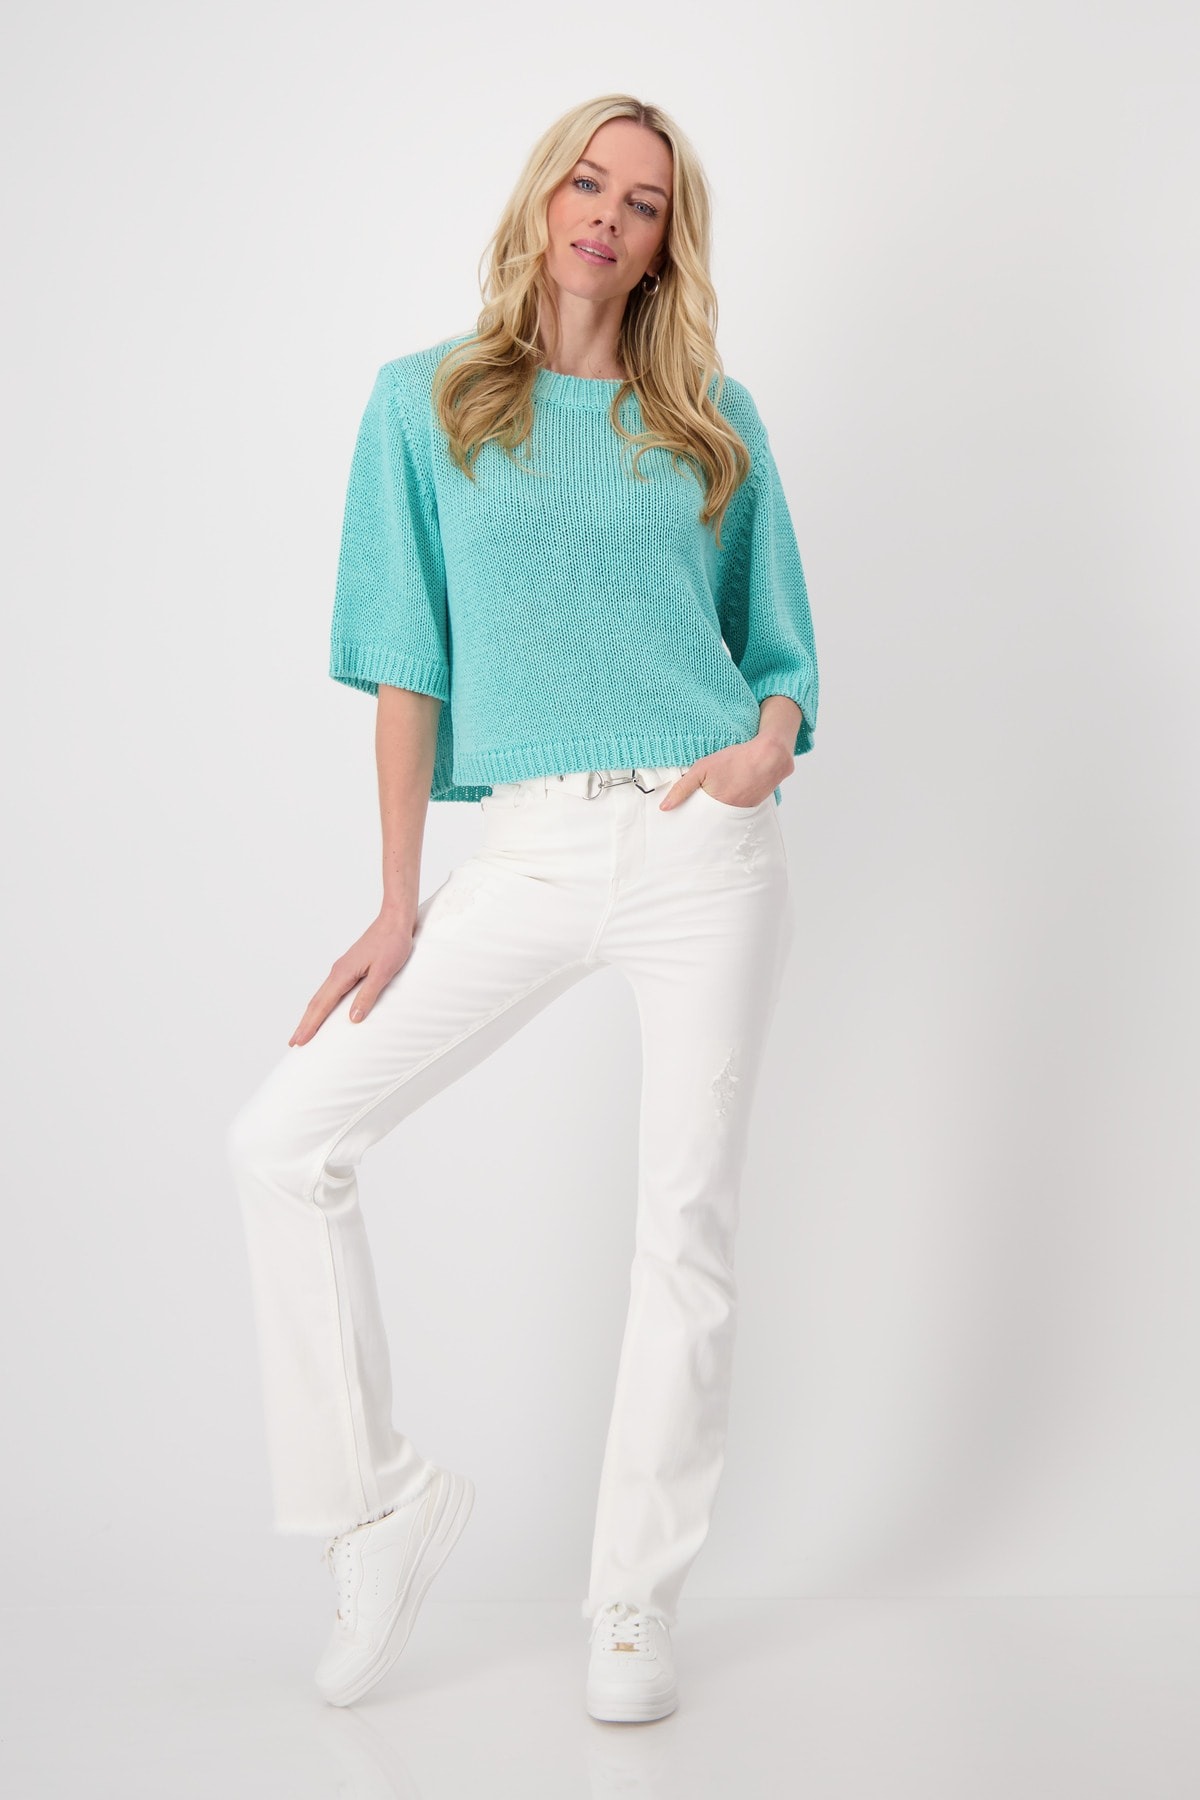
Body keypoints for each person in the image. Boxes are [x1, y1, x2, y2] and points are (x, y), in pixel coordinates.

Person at [226, 92, 819, 1723]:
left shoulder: (712, 417)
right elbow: (405, 664)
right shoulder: (423, 404)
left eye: (644, 202)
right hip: (533, 850)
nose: (607, 217)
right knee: (282, 1142)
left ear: (666, 242)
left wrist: (766, 747)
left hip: (705, 844)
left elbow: (779, 651)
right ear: (545, 196)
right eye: (587, 182)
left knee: (684, 1235)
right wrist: (399, 898)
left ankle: (631, 1606)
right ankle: (378, 1506)